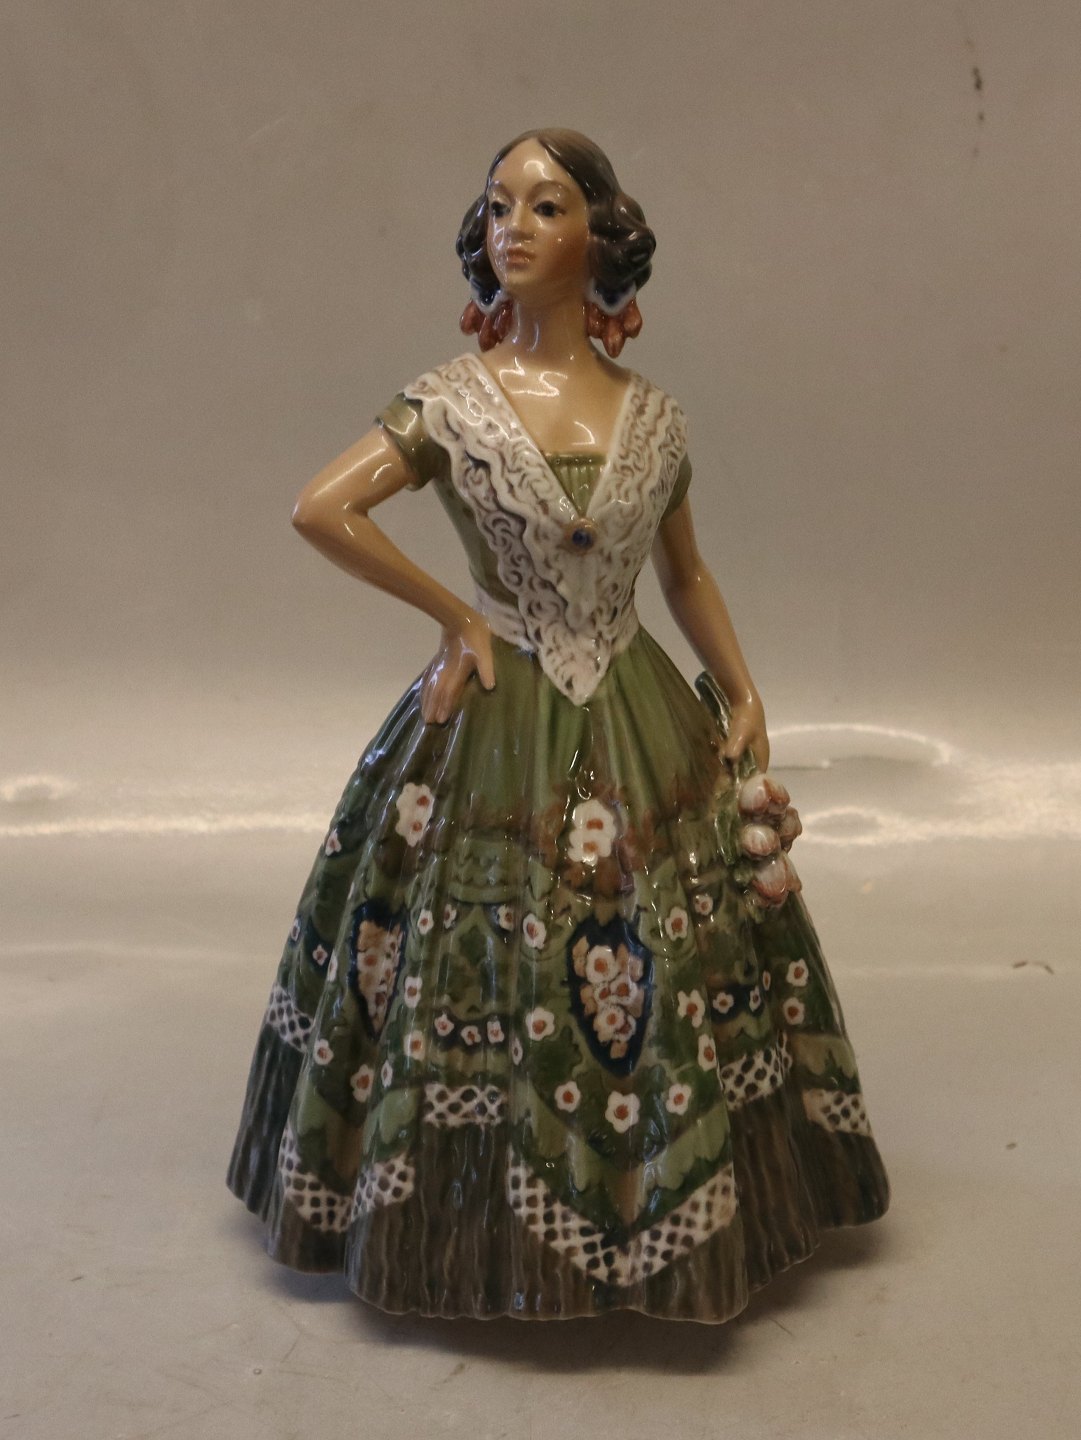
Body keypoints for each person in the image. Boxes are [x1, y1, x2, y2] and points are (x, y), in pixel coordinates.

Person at [227, 129, 889, 1322]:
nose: (513, 229)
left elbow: (685, 575)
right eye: (497, 207)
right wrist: (454, 617)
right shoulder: (449, 402)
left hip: (638, 706)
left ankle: (671, 1202)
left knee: (670, 947)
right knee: (463, 949)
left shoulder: (656, 418)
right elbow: (322, 508)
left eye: (544, 205)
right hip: (495, 705)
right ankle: (464, 1220)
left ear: (601, 235)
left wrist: (740, 687)